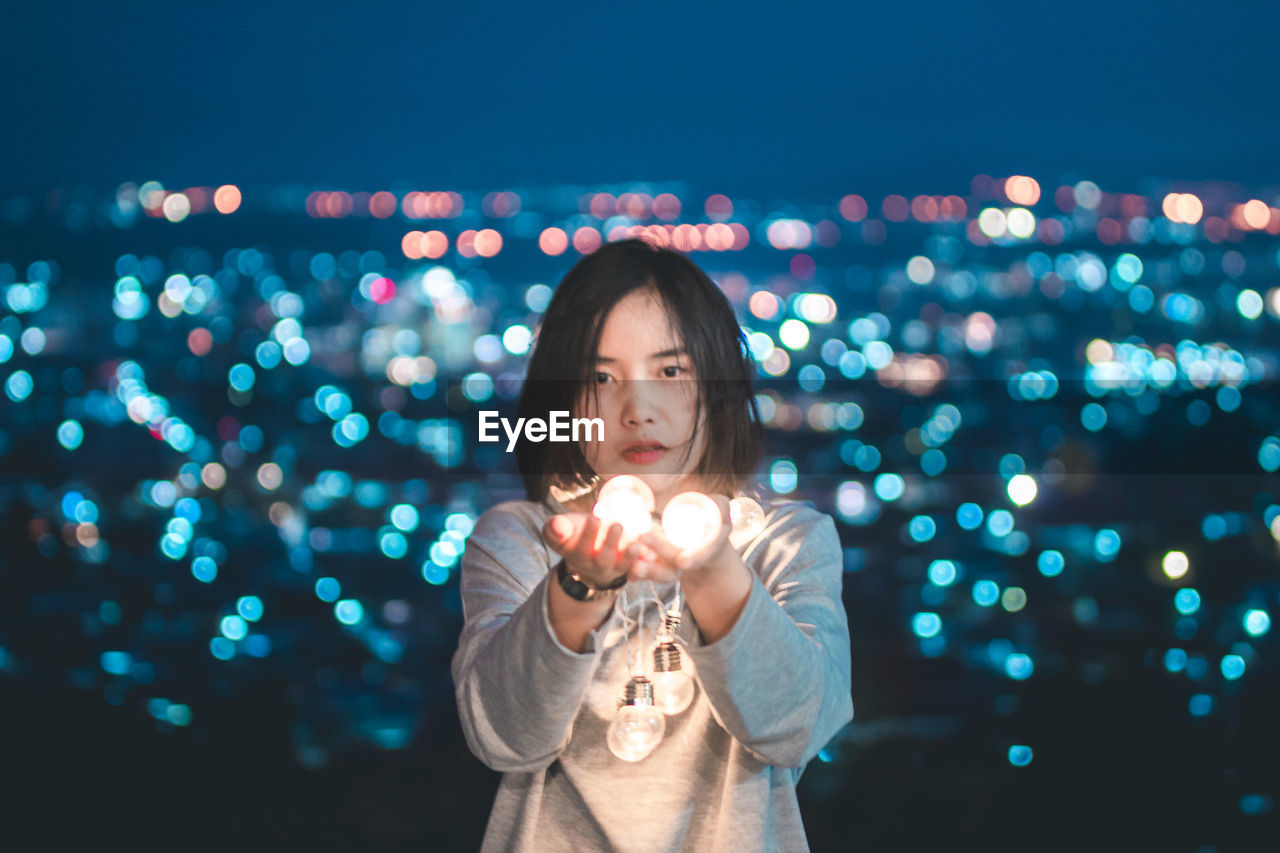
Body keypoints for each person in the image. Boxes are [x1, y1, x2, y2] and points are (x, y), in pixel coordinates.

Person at [451, 237, 853, 851]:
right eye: (600, 377)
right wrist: (577, 586)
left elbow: (797, 727)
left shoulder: (785, 542)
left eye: (671, 371)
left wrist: (712, 567)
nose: (638, 408)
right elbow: (504, 735)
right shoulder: (523, 541)